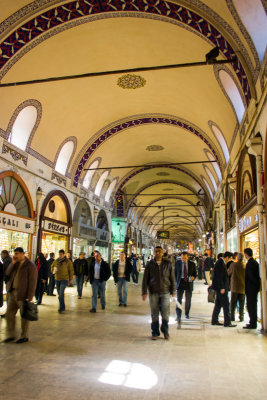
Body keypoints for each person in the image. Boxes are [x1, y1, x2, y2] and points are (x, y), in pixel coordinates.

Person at [4, 247, 37, 343]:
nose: (15, 255)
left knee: (24, 316)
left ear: (23, 254)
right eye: (15, 253)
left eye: (17, 253)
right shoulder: (15, 263)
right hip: (12, 292)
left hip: (22, 294)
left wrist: (30, 296)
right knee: (9, 315)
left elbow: (32, 282)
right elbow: (7, 273)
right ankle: (11, 335)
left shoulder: (30, 265)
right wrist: (12, 263)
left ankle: (24, 336)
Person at [142, 246, 176, 340]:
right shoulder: (150, 264)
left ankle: (165, 331)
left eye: (159, 251)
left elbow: (172, 278)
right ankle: (155, 332)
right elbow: (145, 279)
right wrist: (144, 291)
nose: (157, 253)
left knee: (165, 313)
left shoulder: (168, 263)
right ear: (154, 252)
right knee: (154, 313)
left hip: (165, 292)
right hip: (153, 292)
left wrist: (173, 290)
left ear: (162, 252)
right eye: (156, 251)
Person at [211, 252, 236, 328]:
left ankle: (214, 320)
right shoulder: (220, 263)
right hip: (221, 288)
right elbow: (219, 276)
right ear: (227, 257)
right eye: (230, 258)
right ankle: (227, 322)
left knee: (218, 304)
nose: (230, 260)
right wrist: (222, 287)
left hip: (220, 288)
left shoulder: (220, 262)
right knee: (226, 304)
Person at [175, 251, 197, 327]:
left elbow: (195, 273)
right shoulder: (177, 263)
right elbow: (175, 273)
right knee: (179, 299)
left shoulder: (192, 264)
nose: (183, 259)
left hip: (188, 283)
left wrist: (193, 277)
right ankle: (178, 315)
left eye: (184, 257)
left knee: (188, 299)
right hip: (180, 282)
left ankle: (187, 313)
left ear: (187, 257)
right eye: (182, 258)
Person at [51, 249, 74, 313]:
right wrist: (53, 270)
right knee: (59, 294)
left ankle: (61, 308)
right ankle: (62, 306)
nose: (60, 255)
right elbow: (52, 267)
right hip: (57, 279)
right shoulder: (56, 261)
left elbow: (71, 270)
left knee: (61, 293)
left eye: (61, 254)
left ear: (63, 254)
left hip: (64, 279)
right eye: (59, 254)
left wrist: (70, 279)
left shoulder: (67, 261)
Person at [243, 248, 261, 329]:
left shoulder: (250, 263)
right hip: (254, 288)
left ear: (246, 254)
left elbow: (250, 277)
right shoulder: (255, 262)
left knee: (251, 306)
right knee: (252, 305)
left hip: (251, 289)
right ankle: (253, 322)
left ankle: (253, 323)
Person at [227, 252, 246, 322]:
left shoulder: (233, 265)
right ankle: (241, 317)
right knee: (241, 304)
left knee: (233, 304)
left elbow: (228, 273)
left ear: (237, 258)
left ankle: (232, 317)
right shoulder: (244, 265)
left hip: (234, 286)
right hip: (242, 287)